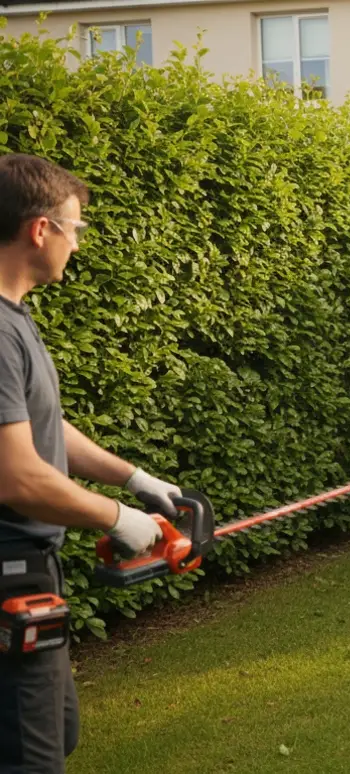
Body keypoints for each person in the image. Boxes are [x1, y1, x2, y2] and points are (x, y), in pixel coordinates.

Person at [0, 153, 182, 773]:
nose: (78, 243)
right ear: (40, 229)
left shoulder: (13, 319)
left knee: (58, 732)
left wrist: (132, 478)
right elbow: (18, 476)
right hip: (9, 572)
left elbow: (45, 429)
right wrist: (117, 519)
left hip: (31, 569)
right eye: (74, 228)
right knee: (32, 759)